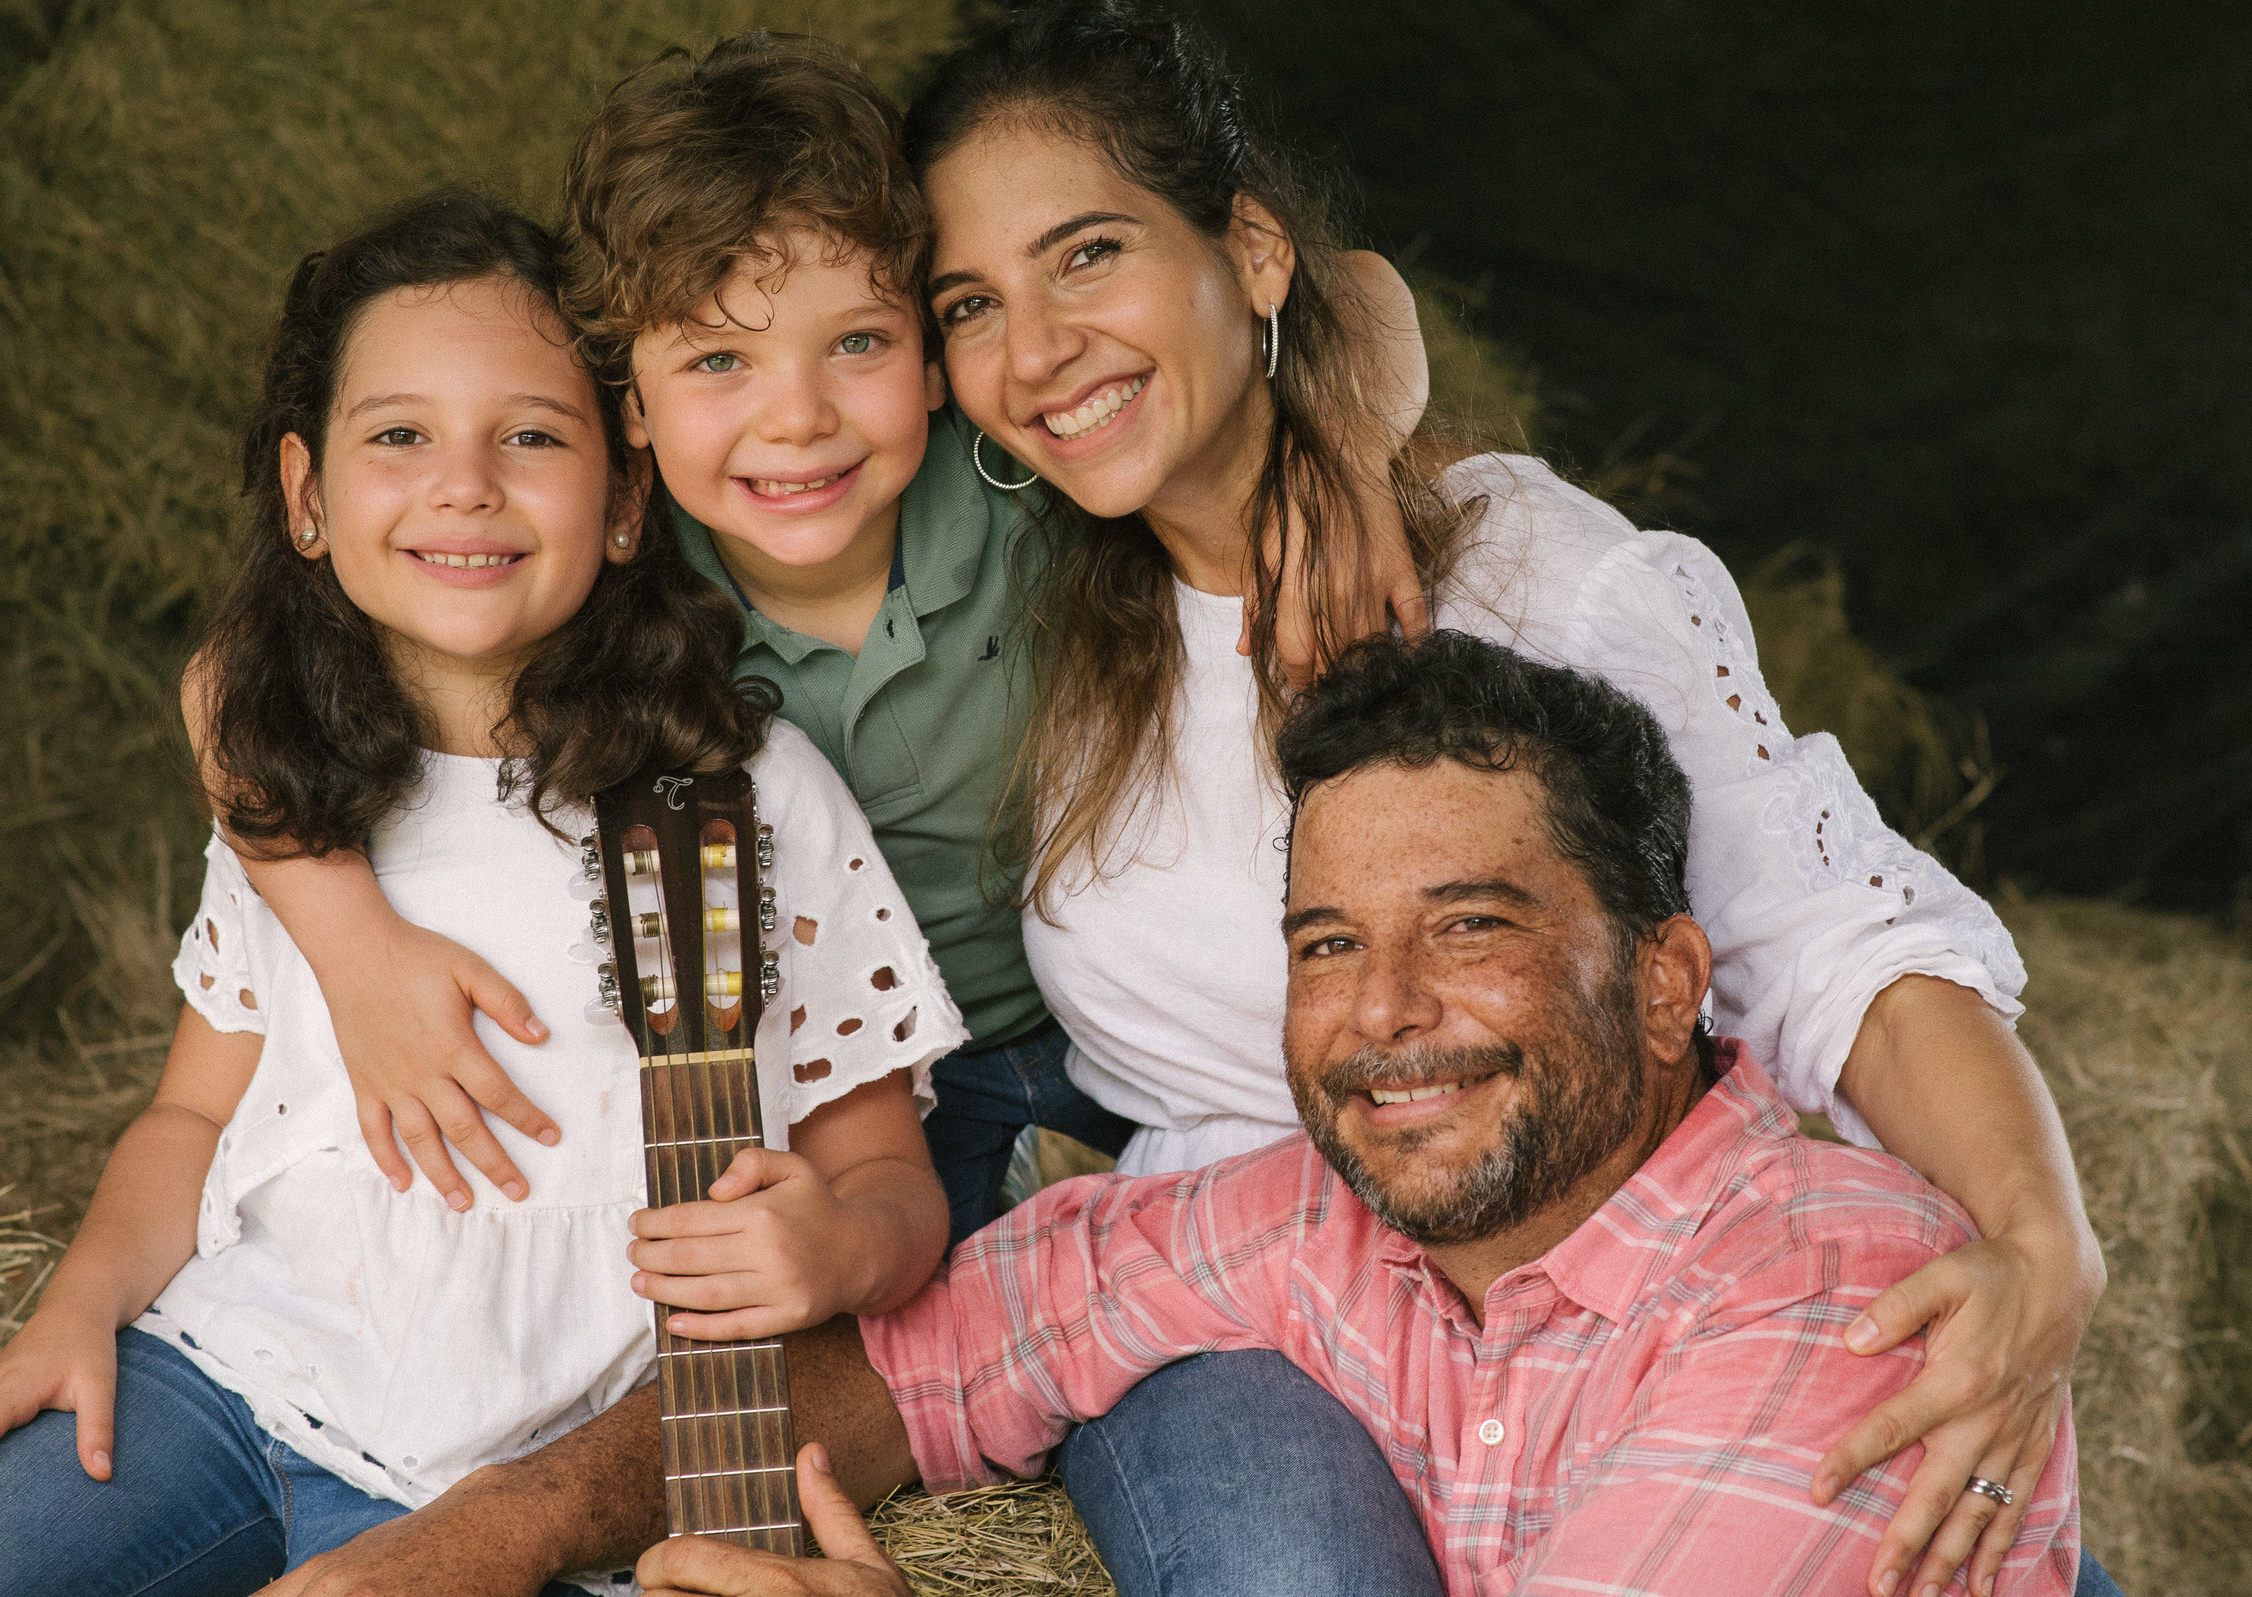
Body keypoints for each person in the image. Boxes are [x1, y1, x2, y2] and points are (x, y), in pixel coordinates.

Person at [901, 0, 2105, 1597]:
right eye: (969, 302)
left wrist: (2042, 1239)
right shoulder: (1040, 604)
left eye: (1088, 253)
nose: (1035, 348)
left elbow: (1833, 945)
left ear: (1252, 253)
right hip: (1241, 1311)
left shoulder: (1531, 573)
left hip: (1569, 1282)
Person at [0, 189, 962, 1597]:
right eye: (399, 434)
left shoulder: (746, 794)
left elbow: (891, 1181)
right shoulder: (298, 798)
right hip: (228, 1387)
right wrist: (76, 1310)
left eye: (532, 435)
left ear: (623, 500)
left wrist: (840, 1246)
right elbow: (190, 1115)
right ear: (308, 497)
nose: (464, 483)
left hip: (520, 1460)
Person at [228, 31, 1427, 1248]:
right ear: (628, 410)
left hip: (1127, 1015)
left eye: (856, 343)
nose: (796, 418)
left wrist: (1345, 448)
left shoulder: (1027, 468)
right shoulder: (622, 572)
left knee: (1314, 1234)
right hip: (881, 1076)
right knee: (877, 1341)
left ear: (932, 356)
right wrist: (354, 946)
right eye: (716, 360)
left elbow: (1358, 288)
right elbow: (230, 683)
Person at [632, 631, 2087, 1597]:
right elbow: (924, 1360)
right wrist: (469, 1539)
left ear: (1665, 985)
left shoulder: (1854, 1308)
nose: (1381, 1010)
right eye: (1327, 942)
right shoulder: (1333, 1225)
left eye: (1466, 928)